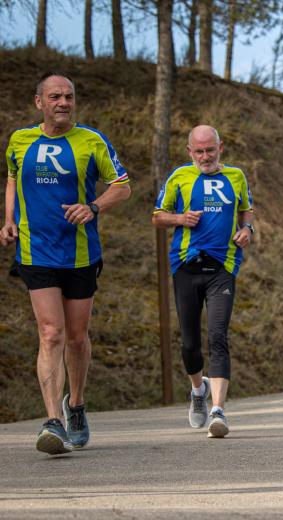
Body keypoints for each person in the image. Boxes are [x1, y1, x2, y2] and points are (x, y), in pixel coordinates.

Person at [0, 72, 131, 455]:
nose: (63, 103)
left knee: (76, 337)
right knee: (51, 333)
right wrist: (9, 220)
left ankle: (76, 405)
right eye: (55, 96)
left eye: (69, 96)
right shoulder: (20, 141)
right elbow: (12, 178)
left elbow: (122, 186)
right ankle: (52, 420)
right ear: (39, 102)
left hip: (79, 253)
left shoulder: (92, 141)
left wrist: (93, 207)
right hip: (35, 250)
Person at [152, 125, 254, 439]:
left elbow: (245, 211)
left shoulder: (236, 176)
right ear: (189, 152)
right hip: (185, 265)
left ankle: (219, 410)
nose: (205, 156)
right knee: (189, 343)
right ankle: (199, 389)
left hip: (223, 265)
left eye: (210, 150)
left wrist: (247, 230)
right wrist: (180, 219)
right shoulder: (179, 177)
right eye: (199, 151)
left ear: (220, 147)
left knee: (219, 336)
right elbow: (158, 215)